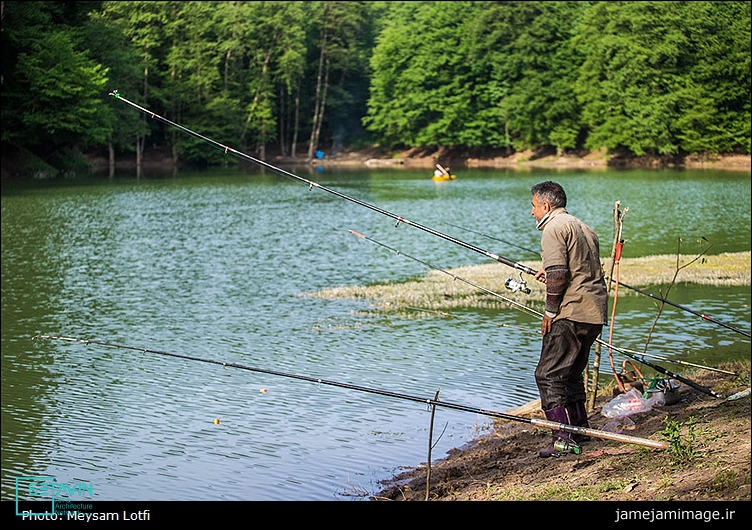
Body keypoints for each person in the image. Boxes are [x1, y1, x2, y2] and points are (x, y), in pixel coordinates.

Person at [529, 181, 608, 458]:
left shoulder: (553, 228)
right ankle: (579, 430)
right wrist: (547, 271)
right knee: (571, 374)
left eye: (534, 206)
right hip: (594, 313)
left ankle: (562, 438)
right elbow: (577, 267)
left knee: (548, 374)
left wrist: (550, 312)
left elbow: (560, 274)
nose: (532, 212)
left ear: (546, 206)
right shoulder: (583, 227)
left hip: (571, 313)